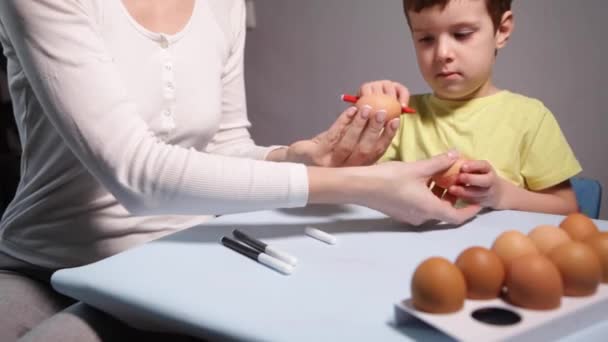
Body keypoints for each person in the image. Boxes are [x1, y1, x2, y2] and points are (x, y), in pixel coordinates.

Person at [0, 0, 480, 340]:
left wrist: (300, 158)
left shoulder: (224, 4)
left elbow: (226, 145)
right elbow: (138, 174)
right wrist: (362, 186)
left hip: (159, 264)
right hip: (39, 261)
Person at [360, 0, 581, 215]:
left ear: (502, 30)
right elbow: (354, 185)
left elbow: (567, 208)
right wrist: (369, 117)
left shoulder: (530, 118)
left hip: (495, 249)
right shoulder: (402, 115)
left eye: (461, 34)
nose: (442, 53)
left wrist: (503, 195)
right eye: (426, 39)